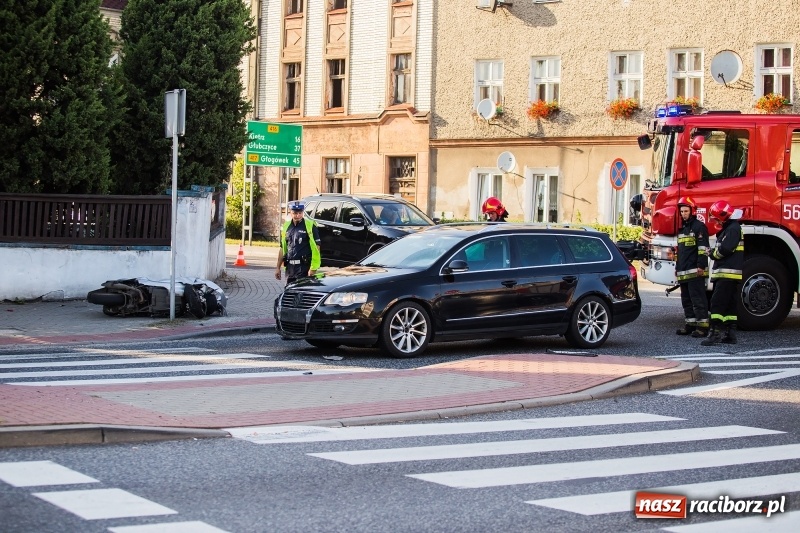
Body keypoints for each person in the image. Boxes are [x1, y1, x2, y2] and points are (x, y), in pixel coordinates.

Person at [701, 200, 744, 346]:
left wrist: (712, 254)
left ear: (723, 216)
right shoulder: (732, 227)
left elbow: (725, 249)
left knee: (717, 304)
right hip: (730, 274)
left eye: (716, 218)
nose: (716, 221)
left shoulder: (732, 229)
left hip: (726, 274)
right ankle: (731, 334)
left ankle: (714, 334)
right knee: (730, 305)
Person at [675, 196, 710, 337]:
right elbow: (680, 251)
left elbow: (703, 249)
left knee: (698, 299)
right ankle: (690, 324)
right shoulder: (683, 229)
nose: (683, 214)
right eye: (682, 211)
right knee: (687, 301)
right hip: (684, 272)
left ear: (692, 211)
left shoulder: (699, 227)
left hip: (695, 272)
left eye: (686, 211)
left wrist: (701, 266)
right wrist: (677, 268)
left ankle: (702, 327)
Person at [275, 202, 321, 284]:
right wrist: (278, 268)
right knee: (289, 293)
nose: (298, 215)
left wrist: (313, 268)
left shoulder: (310, 225)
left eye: (300, 213)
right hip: (290, 268)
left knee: (303, 294)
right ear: (290, 212)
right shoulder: (286, 226)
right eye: (295, 213)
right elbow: (282, 248)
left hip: (304, 268)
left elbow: (316, 247)